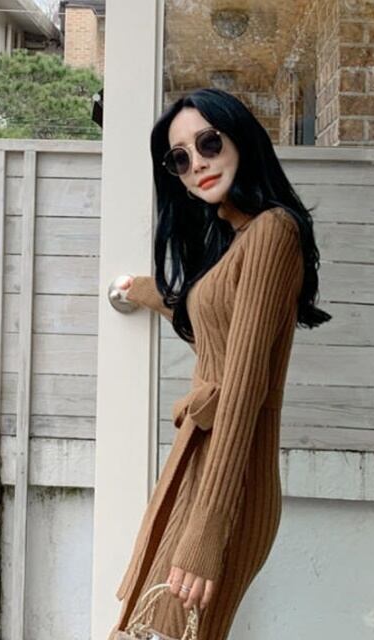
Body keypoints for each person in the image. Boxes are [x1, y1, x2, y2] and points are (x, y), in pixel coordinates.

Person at [108, 88, 331, 640]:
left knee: (162, 631)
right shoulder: (237, 239)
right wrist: (145, 291)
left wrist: (207, 530)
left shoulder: (272, 232)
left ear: (241, 139)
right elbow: (214, 325)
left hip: (227, 483)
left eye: (209, 143)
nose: (198, 163)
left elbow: (243, 389)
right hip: (205, 472)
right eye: (180, 158)